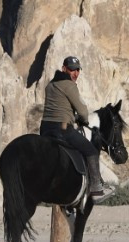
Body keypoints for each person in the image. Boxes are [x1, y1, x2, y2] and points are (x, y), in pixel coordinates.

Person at [39, 56, 110, 198]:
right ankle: (96, 188)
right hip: (63, 129)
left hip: (45, 129)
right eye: (72, 69)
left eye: (78, 70)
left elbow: (59, 107)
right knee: (91, 151)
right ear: (64, 69)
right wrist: (83, 119)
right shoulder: (69, 85)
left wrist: (73, 117)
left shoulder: (50, 85)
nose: (75, 73)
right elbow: (83, 111)